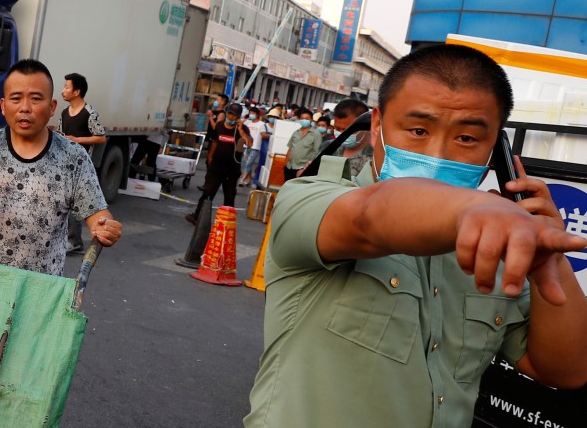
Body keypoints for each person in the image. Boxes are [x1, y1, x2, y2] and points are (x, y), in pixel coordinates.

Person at [242, 44, 587, 428]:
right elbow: (371, 216)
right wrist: (470, 207)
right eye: (418, 130)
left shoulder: (496, 248)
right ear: (377, 126)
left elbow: (564, 370)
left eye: (467, 139)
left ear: (496, 150)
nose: (438, 154)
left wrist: (549, 260)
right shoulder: (311, 201)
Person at [0, 59, 122, 276]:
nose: (25, 108)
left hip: (41, 291)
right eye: (16, 98)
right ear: (3, 106)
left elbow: (98, 215)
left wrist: (105, 227)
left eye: (35, 99)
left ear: (51, 108)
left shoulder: (74, 157)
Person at [57, 72, 107, 254]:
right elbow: (62, 135)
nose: (63, 91)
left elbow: (101, 138)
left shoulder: (89, 113)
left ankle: (75, 241)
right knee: (63, 203)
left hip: (81, 166)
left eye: (66, 87)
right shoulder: (64, 112)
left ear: (77, 91)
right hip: (64, 163)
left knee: (73, 204)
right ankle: (71, 240)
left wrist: (78, 140)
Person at [186, 102, 250, 224]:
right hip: (216, 167)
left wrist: (241, 130)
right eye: (230, 114)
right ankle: (197, 216)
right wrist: (210, 157)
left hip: (232, 169)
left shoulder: (242, 129)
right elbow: (215, 141)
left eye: (234, 115)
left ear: (239, 117)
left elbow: (249, 143)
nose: (231, 117)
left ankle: (226, 223)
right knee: (208, 192)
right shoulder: (220, 125)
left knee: (229, 196)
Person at [333, 97, 374, 178]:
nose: (341, 134)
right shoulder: (328, 148)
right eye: (337, 129)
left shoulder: (377, 157)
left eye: (347, 130)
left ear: (365, 126)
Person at [281, 107, 322, 180]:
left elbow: (317, 153)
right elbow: (290, 149)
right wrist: (286, 165)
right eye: (302, 118)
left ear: (311, 120)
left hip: (302, 168)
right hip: (290, 167)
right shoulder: (295, 133)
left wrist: (307, 169)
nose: (304, 120)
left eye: (306, 118)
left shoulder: (316, 134)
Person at [237, 106, 265, 188]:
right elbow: (240, 124)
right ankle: (249, 180)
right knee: (245, 163)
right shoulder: (247, 123)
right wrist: (245, 118)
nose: (251, 115)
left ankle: (242, 179)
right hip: (246, 146)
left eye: (253, 113)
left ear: (257, 114)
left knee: (249, 162)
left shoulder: (262, 124)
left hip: (255, 146)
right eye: (250, 113)